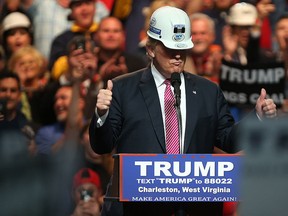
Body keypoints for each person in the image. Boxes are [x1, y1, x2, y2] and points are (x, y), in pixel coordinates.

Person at [89, 6, 277, 216]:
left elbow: (228, 140)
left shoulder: (208, 90)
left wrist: (257, 118)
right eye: (170, 49)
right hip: (137, 209)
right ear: (151, 49)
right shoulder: (123, 89)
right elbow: (102, 145)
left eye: (183, 48)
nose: (178, 55)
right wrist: (101, 115)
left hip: (194, 208)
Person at [184, 13, 222, 84]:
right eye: (194, 33)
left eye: (203, 33)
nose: (198, 38)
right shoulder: (179, 61)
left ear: (212, 36)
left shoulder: (220, 61)